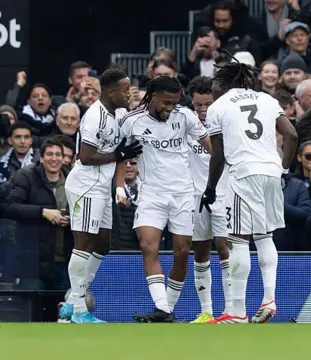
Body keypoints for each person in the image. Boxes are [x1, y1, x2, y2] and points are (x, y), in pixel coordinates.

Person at [202, 58, 298, 324]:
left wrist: (210, 188)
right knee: (265, 237)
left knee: (239, 240)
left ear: (224, 82)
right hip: (271, 169)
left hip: (243, 173)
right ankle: (269, 299)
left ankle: (237, 311)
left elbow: (219, 155)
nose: (213, 89)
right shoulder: (267, 100)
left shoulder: (218, 106)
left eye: (215, 84)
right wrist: (285, 170)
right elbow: (291, 135)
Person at [119, 76, 212, 323]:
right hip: (151, 193)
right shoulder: (132, 121)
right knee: (148, 246)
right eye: (166, 102)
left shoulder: (185, 116)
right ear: (152, 96)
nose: (169, 108)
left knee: (182, 253)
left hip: (183, 193)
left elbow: (210, 145)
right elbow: (119, 154)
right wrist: (119, 187)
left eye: (174, 103)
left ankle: (167, 309)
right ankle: (162, 307)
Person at [61, 69, 141, 324]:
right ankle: (79, 310)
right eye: (125, 89)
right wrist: (118, 155)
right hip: (85, 185)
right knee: (83, 245)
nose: (129, 93)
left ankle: (73, 300)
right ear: (110, 91)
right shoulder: (94, 116)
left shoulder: (119, 113)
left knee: (103, 244)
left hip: (103, 186)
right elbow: (86, 157)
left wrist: (119, 186)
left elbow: (120, 152)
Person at [186, 76, 232, 323]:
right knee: (201, 251)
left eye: (207, 104)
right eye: (198, 105)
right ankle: (206, 311)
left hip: (223, 193)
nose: (203, 110)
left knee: (225, 248)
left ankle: (230, 310)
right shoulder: (185, 124)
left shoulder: (225, 123)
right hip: (195, 195)